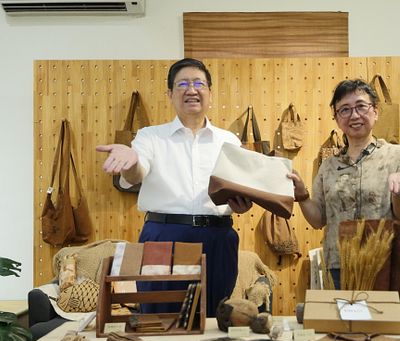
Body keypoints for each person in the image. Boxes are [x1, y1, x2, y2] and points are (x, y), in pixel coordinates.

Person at [96, 58, 252, 316]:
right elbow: (136, 175)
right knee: (159, 317)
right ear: (169, 94)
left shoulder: (229, 140)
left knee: (213, 320)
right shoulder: (150, 136)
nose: (192, 90)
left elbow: (237, 190)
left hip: (218, 237)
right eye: (182, 84)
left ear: (210, 92)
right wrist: (130, 161)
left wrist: (242, 204)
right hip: (163, 235)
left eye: (199, 84)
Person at [288, 78, 400, 288]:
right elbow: (318, 220)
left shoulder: (395, 157)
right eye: (345, 110)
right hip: (338, 265)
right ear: (337, 119)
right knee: (341, 311)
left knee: (381, 312)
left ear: (376, 111)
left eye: (361, 106)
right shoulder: (328, 166)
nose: (354, 115)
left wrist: (397, 193)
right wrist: (302, 196)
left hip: (384, 263)